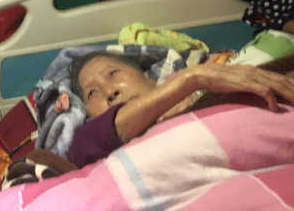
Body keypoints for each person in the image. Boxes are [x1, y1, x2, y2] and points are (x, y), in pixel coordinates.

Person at [66, 51, 294, 168]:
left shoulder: (215, 84)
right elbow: (84, 149)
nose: (109, 91)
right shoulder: (86, 144)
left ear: (148, 77)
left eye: (113, 73)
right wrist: (193, 77)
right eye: (92, 93)